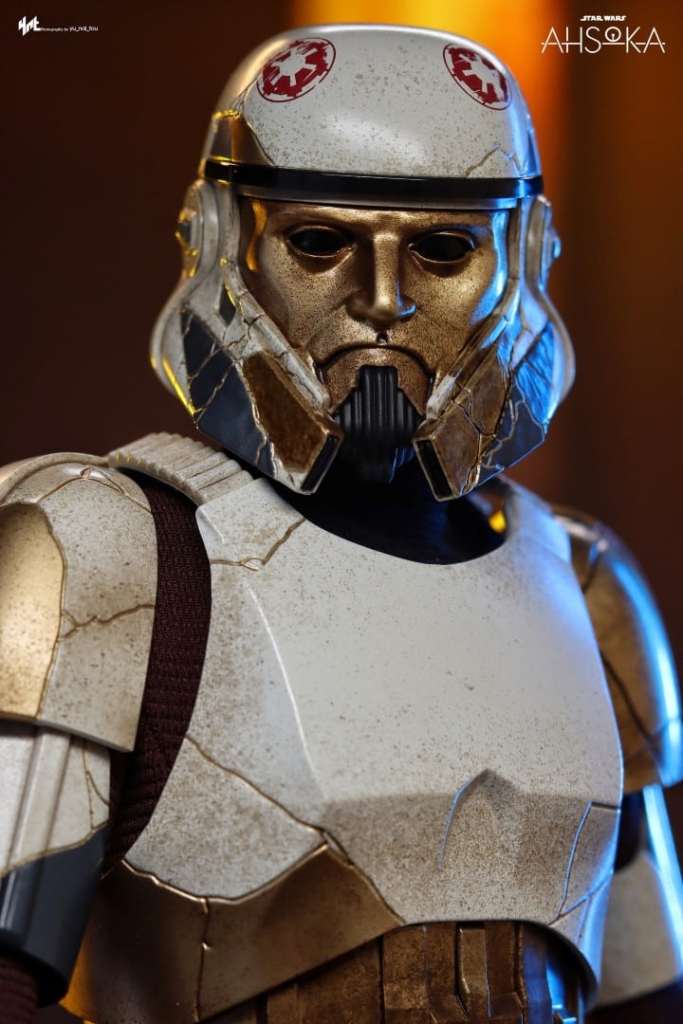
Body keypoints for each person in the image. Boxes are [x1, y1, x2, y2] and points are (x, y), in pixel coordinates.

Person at [1, 24, 681, 1024]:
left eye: (442, 250)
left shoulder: (580, 585)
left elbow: (649, 995)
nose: (381, 302)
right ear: (222, 244)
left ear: (522, 253)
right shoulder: (108, 556)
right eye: (318, 244)